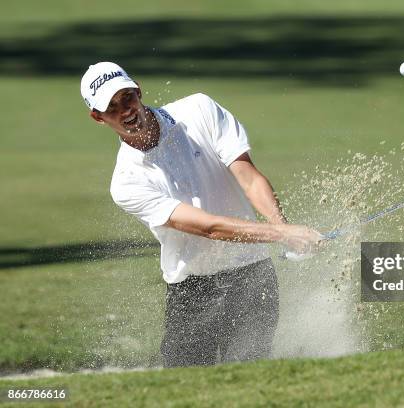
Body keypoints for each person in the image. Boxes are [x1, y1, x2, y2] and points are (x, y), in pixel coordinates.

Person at [80, 61, 321, 367]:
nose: (125, 110)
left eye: (127, 97)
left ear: (138, 91)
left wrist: (281, 225)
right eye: (111, 107)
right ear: (97, 117)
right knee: (184, 384)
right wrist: (282, 235)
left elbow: (248, 176)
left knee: (247, 374)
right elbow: (209, 228)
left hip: (251, 274)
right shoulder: (126, 182)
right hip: (191, 291)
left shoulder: (199, 109)